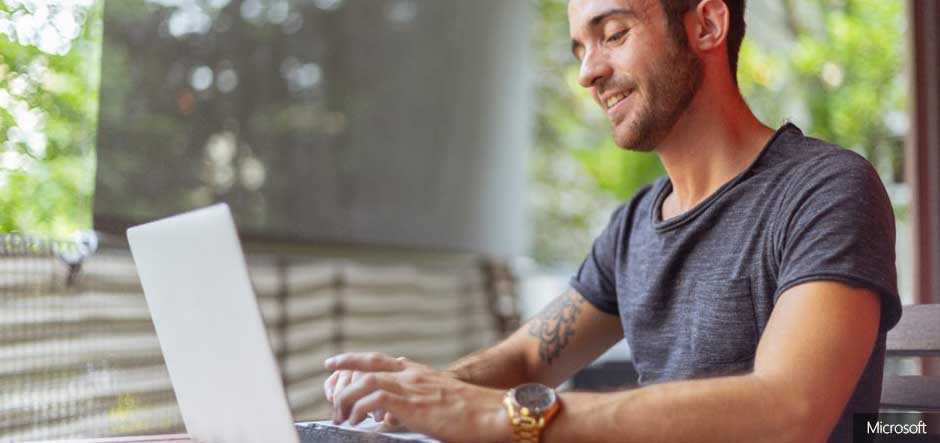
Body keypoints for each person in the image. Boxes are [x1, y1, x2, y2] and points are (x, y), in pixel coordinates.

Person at [322, 0, 902, 442]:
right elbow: (529, 359)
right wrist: (423, 392)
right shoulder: (633, 228)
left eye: (614, 34)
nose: (587, 72)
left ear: (706, 25)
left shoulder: (825, 191)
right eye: (580, 47)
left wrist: (503, 416)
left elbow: (789, 412)